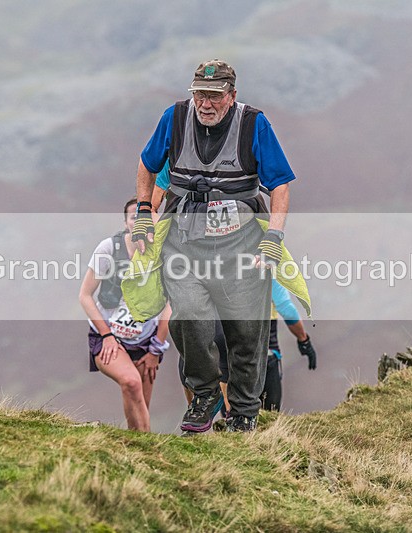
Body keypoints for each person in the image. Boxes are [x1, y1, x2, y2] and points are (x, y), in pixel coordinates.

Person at [124, 58, 311, 433]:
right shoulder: (175, 119)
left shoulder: (254, 123)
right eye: (199, 94)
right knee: (189, 317)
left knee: (246, 333)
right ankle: (206, 393)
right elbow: (147, 164)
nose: (205, 103)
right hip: (185, 244)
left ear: (231, 95)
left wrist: (273, 238)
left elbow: (280, 185)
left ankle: (243, 413)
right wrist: (145, 211)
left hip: (241, 248)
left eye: (213, 95)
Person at [78, 198, 172, 431]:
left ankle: (137, 450)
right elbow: (85, 296)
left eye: (147, 217)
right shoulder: (109, 249)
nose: (140, 221)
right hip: (110, 338)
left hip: (147, 341)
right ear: (126, 222)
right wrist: (107, 335)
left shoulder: (164, 253)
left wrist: (156, 347)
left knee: (139, 401)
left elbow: (171, 303)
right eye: (134, 216)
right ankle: (152, 452)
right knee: (131, 382)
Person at [218, 280, 317, 413]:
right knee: (270, 417)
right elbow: (286, 309)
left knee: (233, 416)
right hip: (266, 356)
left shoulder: (223, 270)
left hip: (232, 358)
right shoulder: (269, 272)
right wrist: (303, 340)